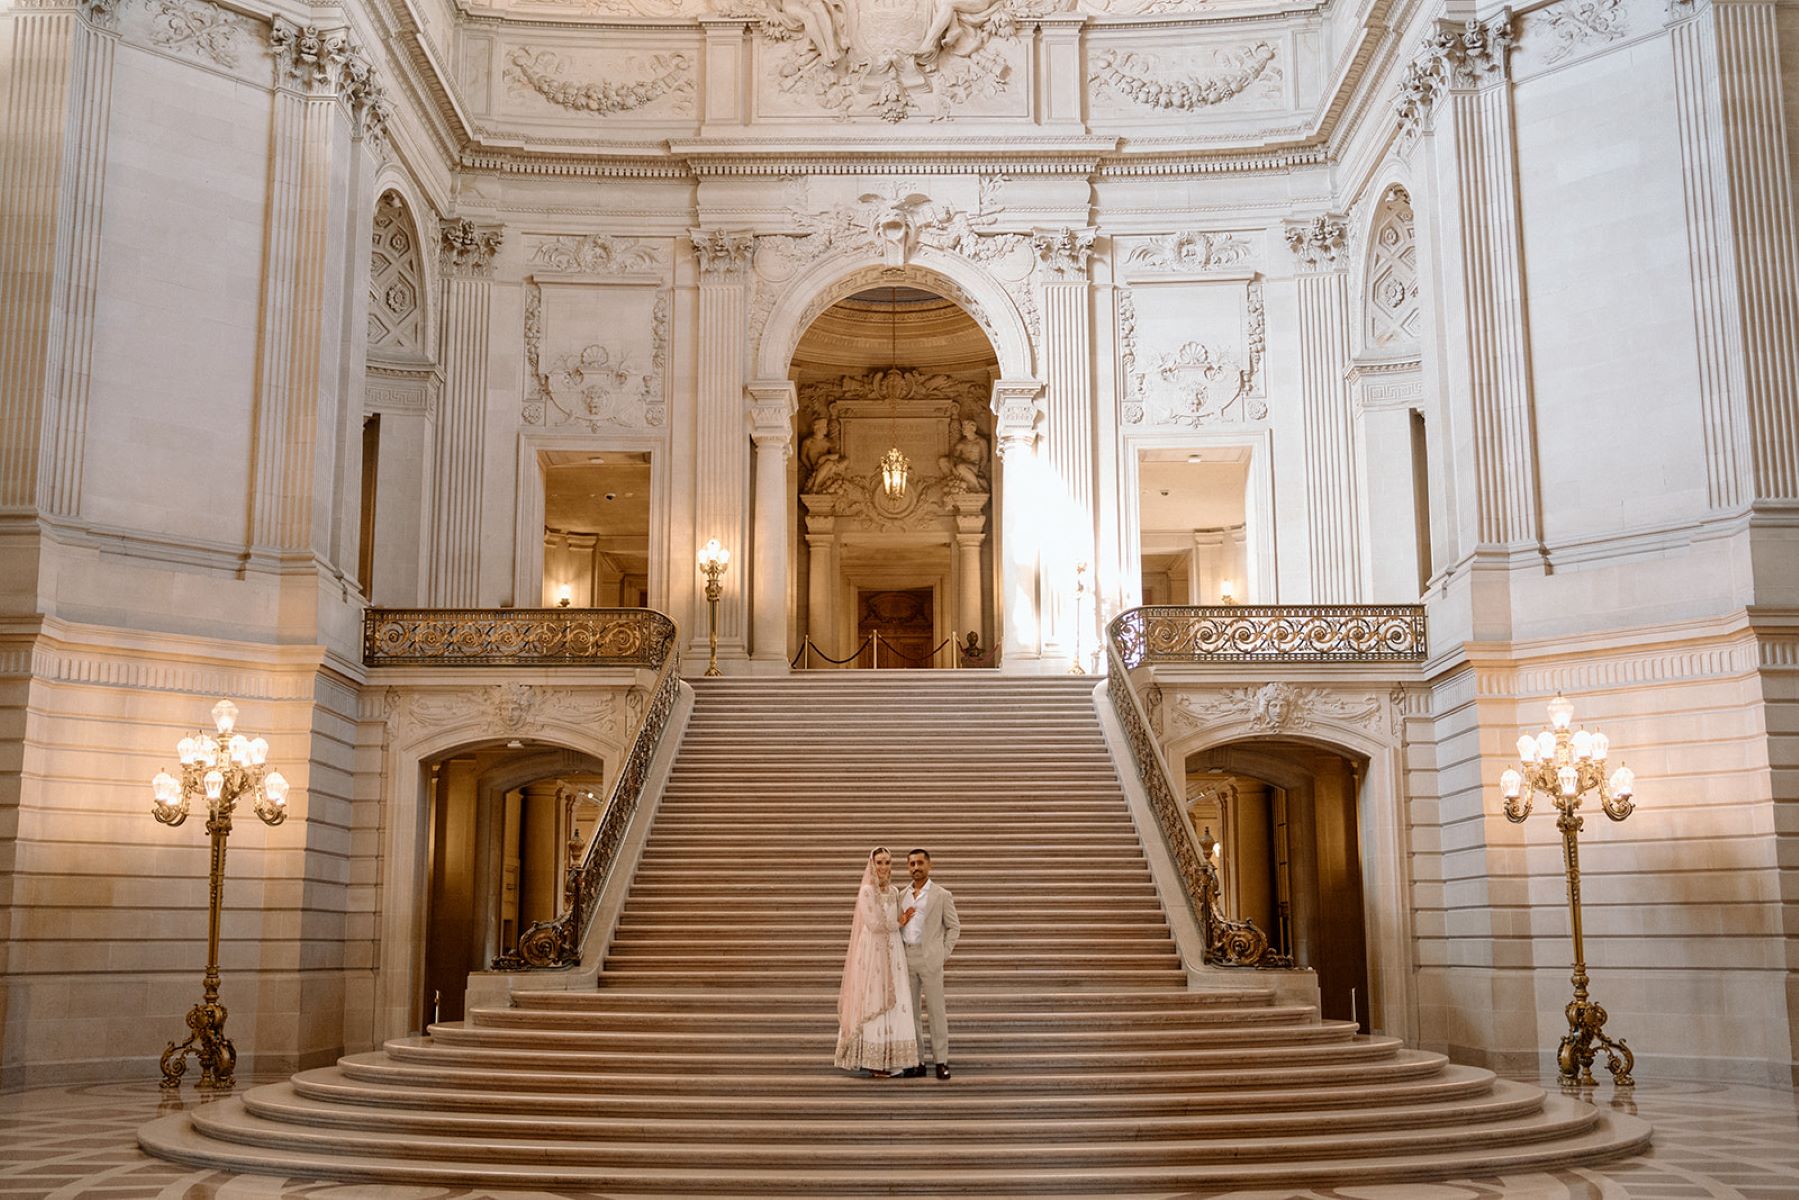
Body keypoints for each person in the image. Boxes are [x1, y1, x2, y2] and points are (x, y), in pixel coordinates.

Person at [834, 847, 921, 1076]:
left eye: (887, 862)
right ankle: (873, 1060)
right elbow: (873, 924)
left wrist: (903, 923)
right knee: (874, 997)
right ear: (872, 864)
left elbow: (897, 920)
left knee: (896, 998)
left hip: (893, 950)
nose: (883, 867)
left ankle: (891, 1058)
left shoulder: (893, 891)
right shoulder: (866, 891)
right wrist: (899, 921)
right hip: (872, 950)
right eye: (879, 862)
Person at [898, 848, 960, 1079]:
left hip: (930, 958)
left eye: (920, 863)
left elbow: (954, 927)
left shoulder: (942, 895)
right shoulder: (901, 894)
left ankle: (941, 1061)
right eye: (912, 863)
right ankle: (917, 1061)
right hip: (906, 958)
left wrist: (942, 954)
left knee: (936, 1012)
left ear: (929, 865)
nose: (916, 867)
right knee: (910, 1012)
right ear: (908, 867)